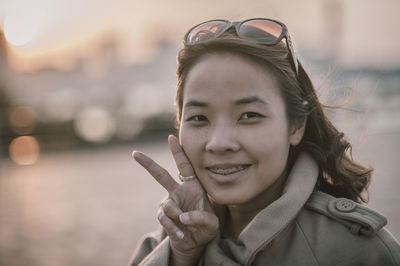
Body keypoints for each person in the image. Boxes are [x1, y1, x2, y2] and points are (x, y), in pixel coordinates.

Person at [128, 18, 400, 266]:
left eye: (249, 115)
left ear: (296, 125)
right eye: (199, 118)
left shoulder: (354, 251)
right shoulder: (164, 245)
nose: (219, 143)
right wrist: (182, 257)